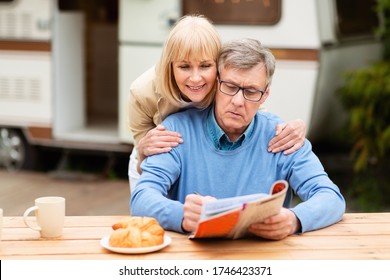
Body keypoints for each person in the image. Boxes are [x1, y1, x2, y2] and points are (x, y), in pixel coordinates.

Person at [130, 38, 346, 240]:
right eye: (230, 87)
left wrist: (294, 220)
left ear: (266, 94)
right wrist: (182, 215)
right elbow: (141, 198)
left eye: (251, 91)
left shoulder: (283, 136)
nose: (238, 101)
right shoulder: (176, 131)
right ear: (216, 84)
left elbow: (330, 197)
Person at [127, 15, 306, 193]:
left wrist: (294, 129)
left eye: (205, 66)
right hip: (154, 155)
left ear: (218, 67)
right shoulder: (142, 92)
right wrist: (142, 151)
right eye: (184, 67)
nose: (196, 78)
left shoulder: (226, 85)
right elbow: (145, 160)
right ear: (170, 65)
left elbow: (255, 113)